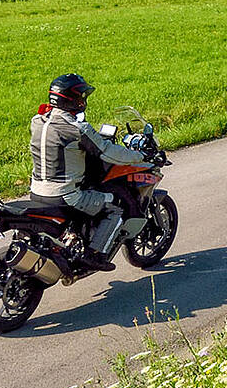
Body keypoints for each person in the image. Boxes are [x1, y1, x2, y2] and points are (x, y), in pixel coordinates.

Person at [29, 73, 147, 271]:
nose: (83, 100)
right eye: (81, 96)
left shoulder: (37, 120)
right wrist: (140, 156)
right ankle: (94, 255)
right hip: (65, 196)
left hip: (37, 191)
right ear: (71, 98)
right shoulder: (76, 128)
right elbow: (108, 153)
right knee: (116, 206)